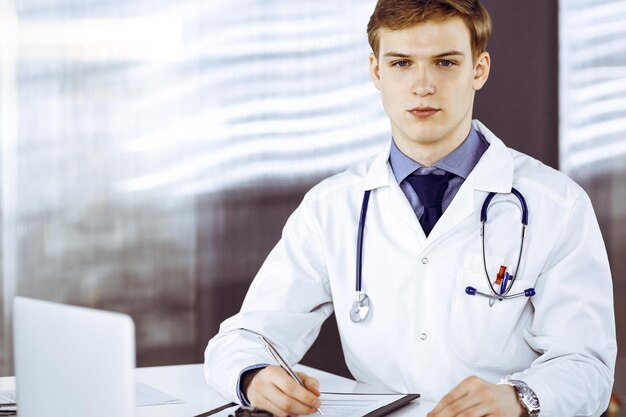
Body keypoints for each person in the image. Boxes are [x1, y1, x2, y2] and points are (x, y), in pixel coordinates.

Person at [204, 1, 617, 416]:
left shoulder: (557, 205)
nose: (423, 86)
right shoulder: (332, 207)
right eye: (402, 63)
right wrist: (255, 377)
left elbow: (586, 364)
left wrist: (518, 399)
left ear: (479, 69)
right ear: (376, 71)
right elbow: (241, 339)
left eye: (445, 63)